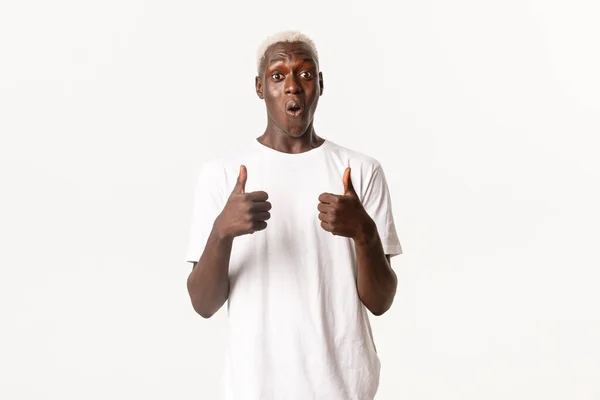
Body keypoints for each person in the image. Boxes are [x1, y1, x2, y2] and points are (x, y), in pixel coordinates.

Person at [184, 30, 403, 400]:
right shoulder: (221, 174)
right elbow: (203, 305)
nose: (292, 87)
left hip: (344, 389)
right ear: (259, 87)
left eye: (304, 74)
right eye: (277, 75)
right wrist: (221, 233)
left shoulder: (361, 171)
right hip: (256, 390)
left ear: (319, 84)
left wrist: (364, 233)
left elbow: (380, 302)